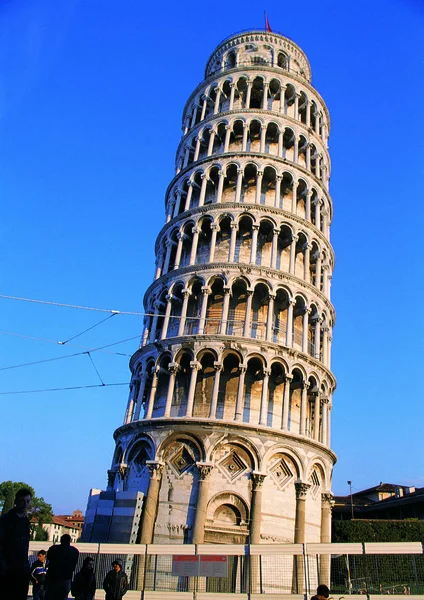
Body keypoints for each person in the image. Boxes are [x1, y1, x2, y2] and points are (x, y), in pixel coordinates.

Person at [0, 487, 32, 600]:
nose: (25, 504)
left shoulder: (26, 522)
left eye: (27, 501)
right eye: (22, 501)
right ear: (16, 502)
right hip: (8, 570)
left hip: (21, 570)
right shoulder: (5, 520)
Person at [45, 533, 79, 600]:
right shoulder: (74, 551)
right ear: (70, 541)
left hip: (53, 578)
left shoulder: (53, 549)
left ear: (61, 540)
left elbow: (48, 560)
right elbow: (74, 565)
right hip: (66, 578)